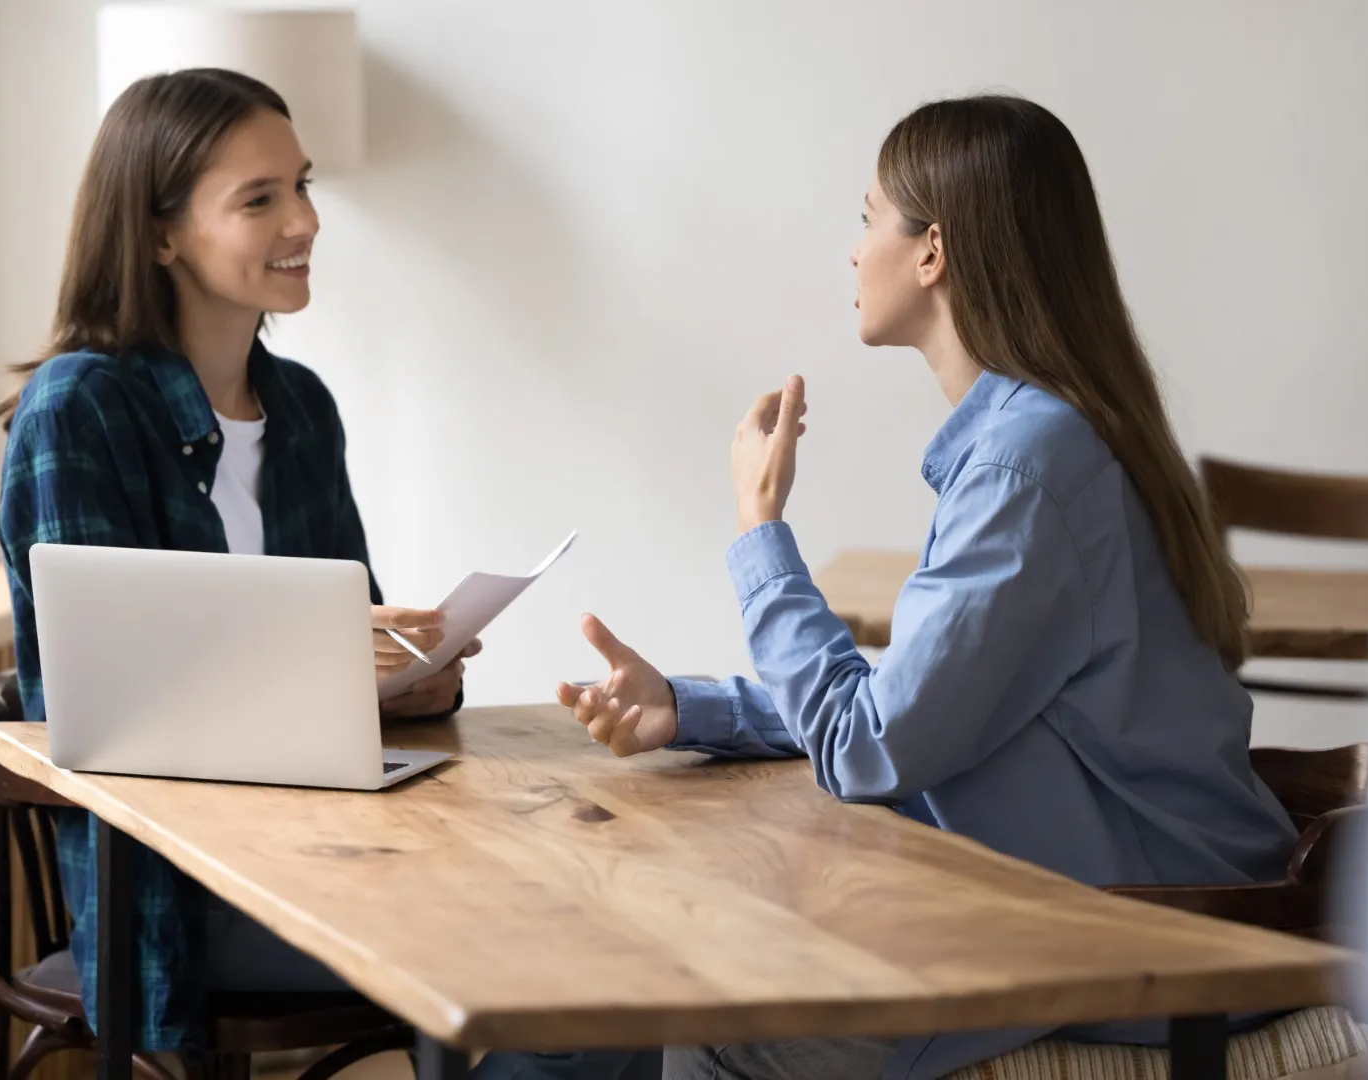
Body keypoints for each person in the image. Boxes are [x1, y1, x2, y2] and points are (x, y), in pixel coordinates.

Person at [557, 94, 1300, 1080]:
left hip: (1148, 931)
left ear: (930, 252)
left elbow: (869, 748)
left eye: (865, 218)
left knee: (714, 1014)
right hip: (1121, 895)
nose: (851, 250)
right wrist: (685, 709)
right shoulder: (1038, 438)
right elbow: (929, 706)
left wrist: (759, 525)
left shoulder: (1023, 467)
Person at [0, 68, 657, 1080]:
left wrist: (413, 674)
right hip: (183, 889)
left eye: (300, 186)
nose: (303, 219)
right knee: (545, 954)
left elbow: (347, 649)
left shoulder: (300, 408)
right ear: (162, 233)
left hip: (346, 846)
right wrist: (335, 677)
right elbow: (107, 718)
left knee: (599, 918)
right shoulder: (78, 410)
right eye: (259, 199)